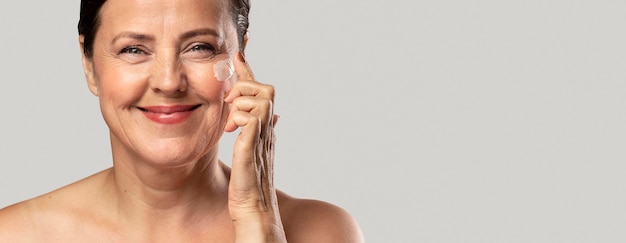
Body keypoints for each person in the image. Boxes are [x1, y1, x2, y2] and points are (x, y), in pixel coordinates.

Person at [0, 0, 364, 242]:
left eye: (200, 47)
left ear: (242, 58)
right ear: (89, 66)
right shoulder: (16, 234)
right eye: (133, 50)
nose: (169, 81)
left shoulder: (321, 232)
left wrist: (260, 221)